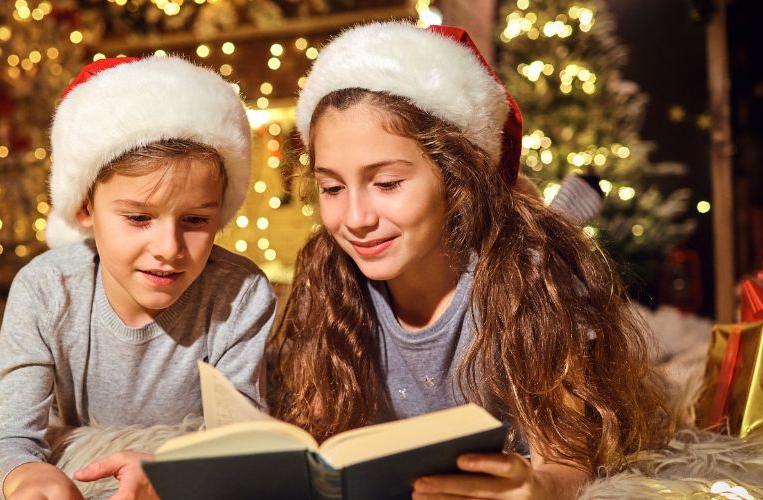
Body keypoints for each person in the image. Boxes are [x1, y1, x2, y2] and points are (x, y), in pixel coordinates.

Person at [269, 22, 672, 499]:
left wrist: (538, 488)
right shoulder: (330, 280)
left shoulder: (528, 280)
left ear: (457, 179)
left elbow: (567, 462)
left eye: (388, 184)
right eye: (332, 188)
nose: (355, 218)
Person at [0, 56, 276, 500]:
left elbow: (242, 445)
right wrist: (27, 477)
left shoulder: (240, 294)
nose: (169, 247)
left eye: (194, 220)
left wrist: (178, 475)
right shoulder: (45, 290)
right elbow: (6, 442)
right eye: (138, 218)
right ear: (84, 209)